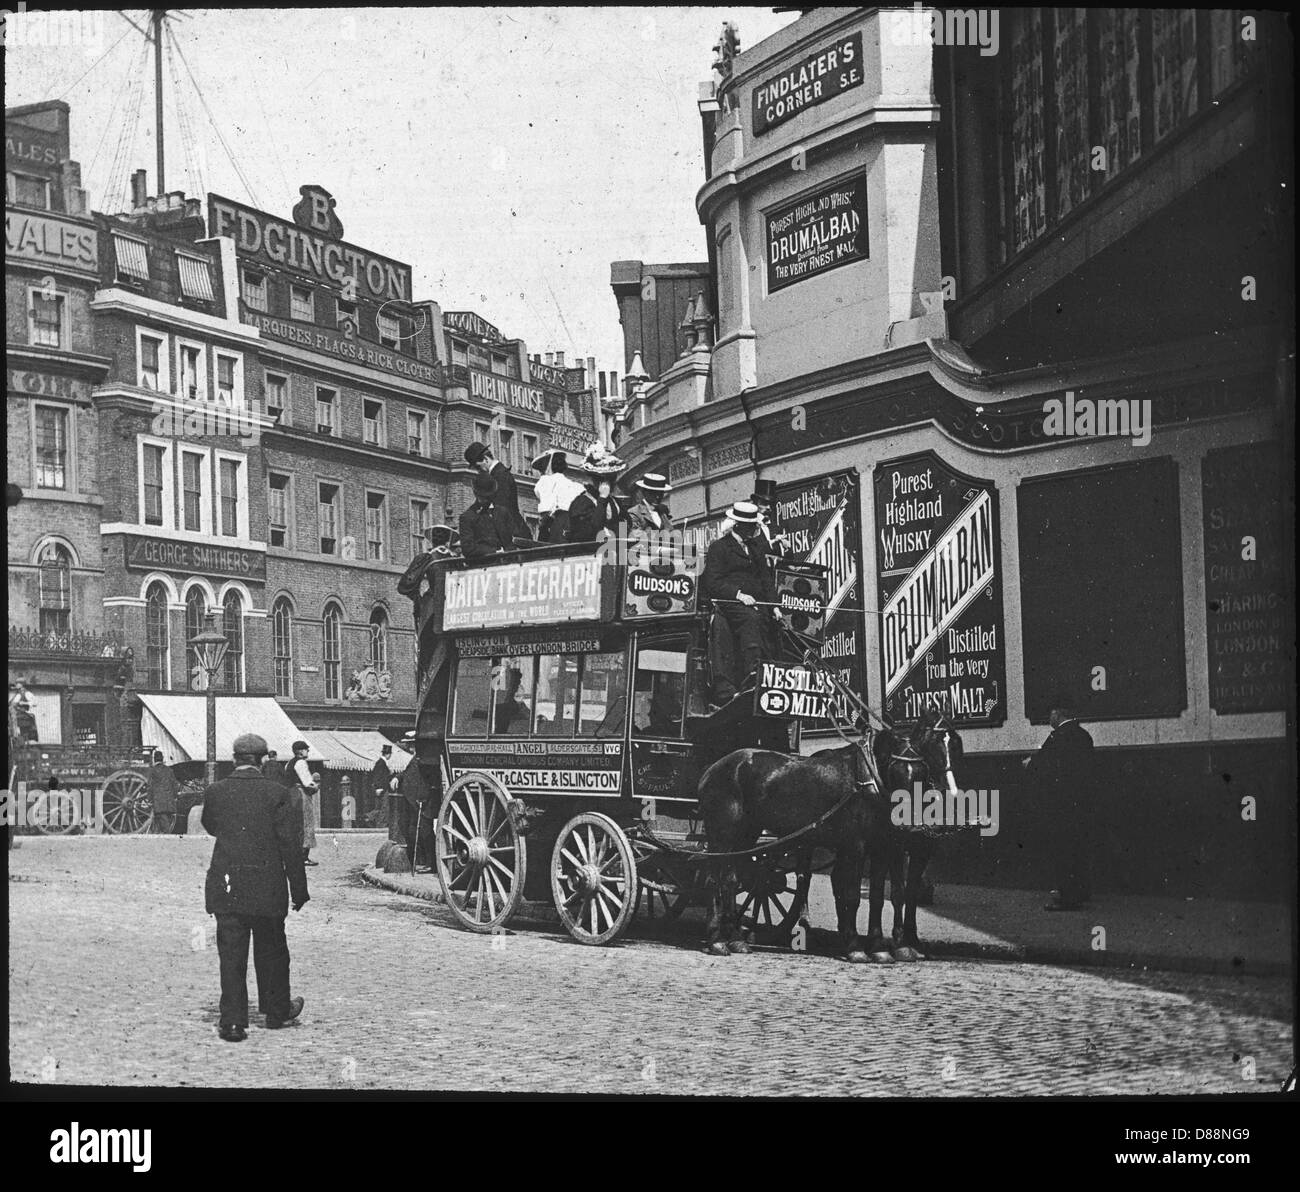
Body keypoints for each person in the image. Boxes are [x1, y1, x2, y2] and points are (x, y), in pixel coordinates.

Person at [201, 732, 308, 1041]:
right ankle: (276, 1012)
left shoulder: (216, 791)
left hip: (228, 885)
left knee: (231, 956)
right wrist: (299, 891)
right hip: (268, 886)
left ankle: (233, 1023)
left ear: (235, 759)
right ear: (262, 761)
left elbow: (211, 827)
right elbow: (290, 845)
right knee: (273, 950)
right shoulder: (277, 793)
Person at [700, 501, 783, 706]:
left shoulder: (756, 548)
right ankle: (752, 674)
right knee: (751, 618)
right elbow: (713, 582)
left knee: (773, 624)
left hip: (756, 602)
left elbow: (766, 579)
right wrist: (738, 595)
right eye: (751, 526)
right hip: (729, 602)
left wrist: (774, 606)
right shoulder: (719, 547)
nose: (755, 529)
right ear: (738, 526)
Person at [1023, 700, 1095, 911]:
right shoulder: (1083, 735)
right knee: (1078, 850)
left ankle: (1068, 897)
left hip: (1061, 806)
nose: (1049, 718)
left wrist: (1030, 764)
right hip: (1080, 804)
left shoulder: (1059, 737)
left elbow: (1047, 766)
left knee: (1063, 851)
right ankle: (1080, 891)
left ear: (1058, 714)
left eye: (1051, 714)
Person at [464, 441, 530, 540]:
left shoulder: (500, 475)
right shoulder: (496, 475)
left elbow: (501, 508)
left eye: (478, 467)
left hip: (513, 533)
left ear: (486, 459)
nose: (478, 471)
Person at [566, 444, 627, 544]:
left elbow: (625, 525)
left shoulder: (615, 502)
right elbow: (592, 530)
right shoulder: (582, 502)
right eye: (606, 479)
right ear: (597, 481)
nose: (611, 483)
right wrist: (602, 499)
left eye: (612, 479)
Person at [397, 734, 436, 872]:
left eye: (412, 744)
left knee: (425, 832)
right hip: (414, 802)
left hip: (423, 802)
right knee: (413, 831)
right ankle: (423, 860)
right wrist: (397, 777)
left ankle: (432, 863)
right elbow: (409, 774)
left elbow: (429, 780)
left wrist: (423, 797)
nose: (410, 747)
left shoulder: (424, 759)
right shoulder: (415, 759)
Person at [459, 474, 519, 559]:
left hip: (508, 564)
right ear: (476, 494)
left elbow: (514, 538)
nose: (484, 500)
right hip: (483, 566)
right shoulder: (467, 517)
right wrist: (494, 552)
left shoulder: (503, 513)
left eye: (488, 497)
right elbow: (468, 549)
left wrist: (509, 553)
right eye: (481, 496)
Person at [288, 740, 320, 866]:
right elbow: (308, 782)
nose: (308, 751)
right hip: (301, 794)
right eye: (306, 749)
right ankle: (304, 856)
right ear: (301, 751)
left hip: (292, 794)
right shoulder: (301, 763)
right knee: (306, 823)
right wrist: (316, 787)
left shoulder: (289, 763)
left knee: (295, 824)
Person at [147, 751, 178, 834]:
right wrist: (175, 796)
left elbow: (150, 786)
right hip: (169, 800)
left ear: (154, 759)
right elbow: (175, 784)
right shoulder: (169, 770)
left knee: (163, 822)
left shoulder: (152, 771)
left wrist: (149, 799)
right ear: (162, 758)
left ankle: (167, 837)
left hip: (159, 801)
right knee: (166, 820)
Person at [369, 743, 395, 826]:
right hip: (382, 789)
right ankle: (371, 819)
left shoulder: (382, 762)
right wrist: (378, 787)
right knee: (384, 807)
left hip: (383, 788)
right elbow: (378, 776)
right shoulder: (381, 763)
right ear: (388, 754)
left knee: (382, 807)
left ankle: (378, 822)